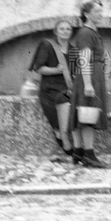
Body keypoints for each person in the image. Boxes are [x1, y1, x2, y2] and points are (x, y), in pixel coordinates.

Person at [69, 0, 110, 168]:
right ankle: (89, 155)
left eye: (101, 11)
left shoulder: (92, 32)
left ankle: (78, 152)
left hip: (94, 75)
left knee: (84, 113)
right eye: (97, 11)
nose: (101, 14)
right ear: (87, 14)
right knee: (88, 114)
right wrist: (88, 84)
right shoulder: (86, 33)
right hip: (90, 76)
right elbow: (84, 60)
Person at [29, 19, 74, 157]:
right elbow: (39, 69)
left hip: (67, 86)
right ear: (56, 31)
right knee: (64, 101)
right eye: (62, 29)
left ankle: (62, 133)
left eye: (68, 29)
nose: (65, 31)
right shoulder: (47, 46)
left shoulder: (73, 50)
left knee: (72, 99)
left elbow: (74, 72)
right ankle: (63, 136)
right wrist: (56, 70)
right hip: (50, 87)